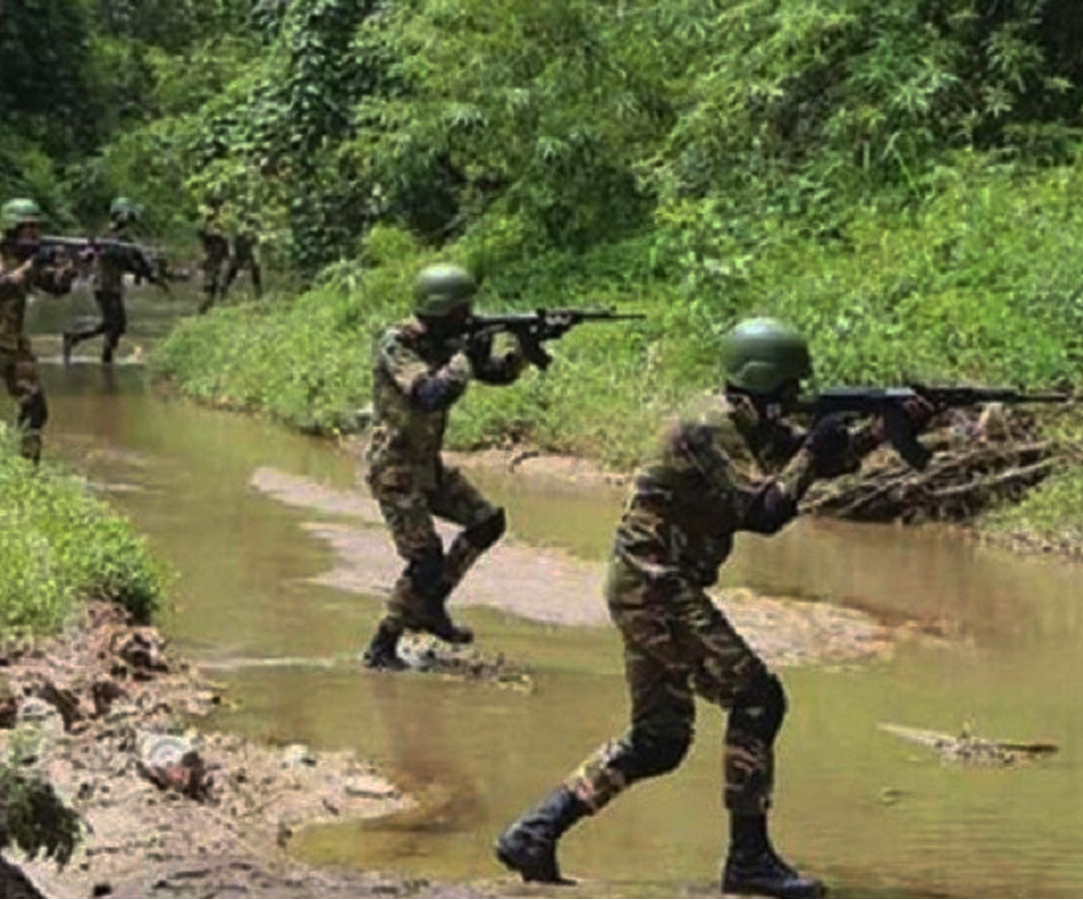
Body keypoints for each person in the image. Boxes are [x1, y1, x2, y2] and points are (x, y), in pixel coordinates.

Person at [494, 318, 929, 898]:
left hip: (646, 582)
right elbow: (767, 511)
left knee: (660, 740)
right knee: (757, 697)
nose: (795, 400)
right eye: (788, 389)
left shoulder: (743, 422)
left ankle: (536, 830)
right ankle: (748, 861)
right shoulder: (709, 428)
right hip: (655, 583)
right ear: (764, 384)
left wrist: (887, 428)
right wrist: (814, 451)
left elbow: (812, 458)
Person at [361, 263, 529, 670]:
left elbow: (495, 374)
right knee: (425, 559)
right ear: (442, 311)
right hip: (395, 470)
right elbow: (430, 394)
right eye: (462, 310)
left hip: (427, 466)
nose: (468, 316)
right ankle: (382, 644)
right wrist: (464, 356)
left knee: (486, 522)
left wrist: (522, 348)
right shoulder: (397, 344)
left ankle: (432, 607)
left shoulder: (447, 339)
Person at [0, 198, 77, 463]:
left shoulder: (25, 256)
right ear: (12, 228)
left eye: (36, 228)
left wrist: (68, 270)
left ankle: (28, 465)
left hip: (17, 344)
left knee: (35, 406)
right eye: (28, 228)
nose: (34, 234)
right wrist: (31, 265)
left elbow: (54, 288)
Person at [62, 197, 137, 365]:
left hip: (110, 285)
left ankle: (78, 339)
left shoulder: (117, 237)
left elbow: (131, 260)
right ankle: (103, 356)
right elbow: (92, 253)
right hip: (105, 285)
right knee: (116, 324)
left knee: (113, 324)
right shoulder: (109, 236)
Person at [197, 202, 230, 314]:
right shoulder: (209, 239)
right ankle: (203, 309)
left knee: (217, 287)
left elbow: (227, 255)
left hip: (218, 264)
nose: (217, 231)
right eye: (215, 228)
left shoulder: (223, 240)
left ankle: (211, 307)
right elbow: (201, 232)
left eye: (219, 229)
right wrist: (207, 218)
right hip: (210, 264)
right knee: (208, 286)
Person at [220, 219, 262, 301]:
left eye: (244, 226)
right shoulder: (236, 238)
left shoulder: (251, 237)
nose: (243, 228)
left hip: (247, 259)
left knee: (255, 272)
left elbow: (256, 245)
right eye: (242, 227)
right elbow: (232, 249)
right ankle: (223, 292)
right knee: (230, 274)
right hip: (238, 259)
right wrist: (232, 256)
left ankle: (258, 292)